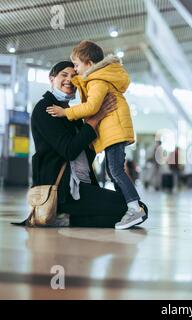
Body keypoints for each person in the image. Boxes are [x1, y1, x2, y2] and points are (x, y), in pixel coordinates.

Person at [45, 40, 146, 230]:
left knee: (115, 170)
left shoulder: (97, 81)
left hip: (114, 132)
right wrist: (76, 81)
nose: (74, 71)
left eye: (76, 65)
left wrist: (65, 112)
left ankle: (134, 207)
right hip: (113, 132)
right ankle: (129, 207)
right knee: (113, 171)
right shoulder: (96, 79)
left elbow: (91, 106)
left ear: (89, 64)